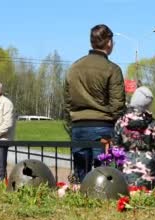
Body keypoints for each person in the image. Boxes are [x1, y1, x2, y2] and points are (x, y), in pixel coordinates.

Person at [64, 24, 126, 182]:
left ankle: (81, 203)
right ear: (109, 43)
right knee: (103, 178)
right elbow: (117, 105)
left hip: (78, 126)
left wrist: (72, 122)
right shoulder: (112, 69)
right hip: (103, 127)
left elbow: (67, 100)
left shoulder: (74, 68)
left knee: (81, 176)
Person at [111, 86, 155, 188]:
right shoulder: (152, 123)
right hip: (148, 171)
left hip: (125, 171)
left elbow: (115, 148)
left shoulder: (121, 121)